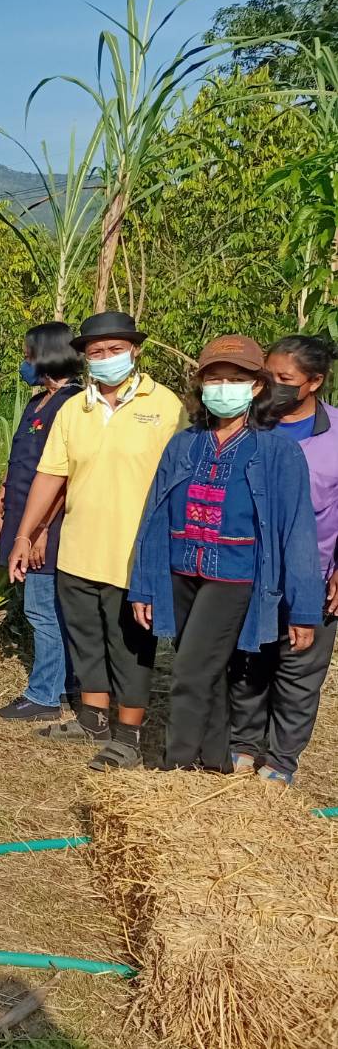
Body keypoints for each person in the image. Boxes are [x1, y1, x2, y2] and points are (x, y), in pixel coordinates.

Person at [129, 335, 323, 773]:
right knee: (211, 675)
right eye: (214, 379)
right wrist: (144, 584)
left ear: (257, 387)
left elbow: (297, 532)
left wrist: (303, 609)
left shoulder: (277, 452)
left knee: (189, 673)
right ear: (200, 386)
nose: (223, 387)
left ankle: (174, 768)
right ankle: (214, 763)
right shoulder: (184, 445)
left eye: (235, 379)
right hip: (182, 572)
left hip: (233, 577)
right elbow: (154, 517)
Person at [8, 311, 184, 771]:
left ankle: (127, 735)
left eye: (115, 350)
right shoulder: (74, 409)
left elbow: (181, 482)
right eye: (97, 352)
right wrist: (26, 533)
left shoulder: (165, 407)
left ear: (135, 350)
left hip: (135, 555)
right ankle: (92, 718)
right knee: (86, 638)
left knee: (129, 646)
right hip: (79, 550)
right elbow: (51, 474)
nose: (106, 359)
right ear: (84, 356)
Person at [227, 335, 338, 783]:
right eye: (267, 375)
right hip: (247, 571)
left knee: (298, 672)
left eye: (284, 379)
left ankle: (281, 761)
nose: (271, 385)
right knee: (246, 663)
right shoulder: (243, 425)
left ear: (314, 382)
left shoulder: (335, 435)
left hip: (312, 573)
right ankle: (242, 745)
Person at [0, 323, 83, 720]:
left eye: (29, 354)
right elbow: (22, 460)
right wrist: (0, 499)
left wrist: (42, 530)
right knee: (48, 609)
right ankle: (66, 684)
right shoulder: (38, 402)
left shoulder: (73, 404)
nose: (24, 362)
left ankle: (45, 694)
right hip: (22, 514)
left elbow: (64, 476)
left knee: (43, 610)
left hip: (50, 526)